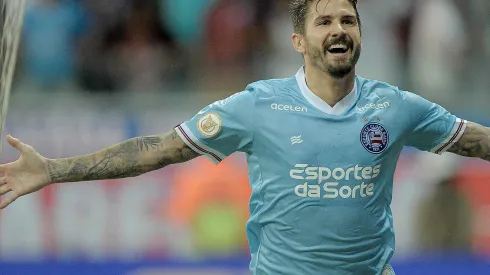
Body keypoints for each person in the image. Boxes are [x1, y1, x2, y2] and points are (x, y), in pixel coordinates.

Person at [0, 0, 487, 274]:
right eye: (324, 22)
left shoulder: (395, 106)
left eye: (348, 19)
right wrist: (53, 170)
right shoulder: (256, 106)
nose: (338, 30)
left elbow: (475, 142)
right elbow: (157, 150)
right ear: (298, 41)